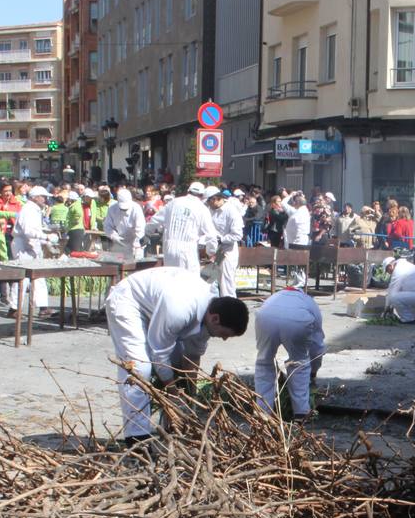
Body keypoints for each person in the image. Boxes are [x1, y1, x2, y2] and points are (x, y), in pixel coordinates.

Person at [105, 267, 249, 441]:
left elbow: (192, 357)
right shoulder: (180, 310)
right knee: (139, 368)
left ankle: (172, 427)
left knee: (177, 367)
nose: (224, 339)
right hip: (128, 301)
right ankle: (137, 438)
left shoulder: (208, 314)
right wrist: (174, 395)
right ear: (215, 319)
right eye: (225, 334)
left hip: (156, 306)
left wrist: (190, 397)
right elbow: (160, 355)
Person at [254, 286, 326, 420]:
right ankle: (301, 413)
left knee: (264, 362)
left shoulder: (273, 297)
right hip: (297, 321)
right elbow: (317, 347)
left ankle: (263, 413)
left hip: (265, 317)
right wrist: (313, 371)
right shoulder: (309, 301)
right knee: (300, 363)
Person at [9, 186, 58, 319]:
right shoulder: (28, 210)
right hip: (23, 246)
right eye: (43, 196)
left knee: (39, 276)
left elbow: (35, 231)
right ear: (35, 197)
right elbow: (28, 231)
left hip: (31, 245)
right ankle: (14, 308)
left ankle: (43, 307)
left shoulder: (35, 210)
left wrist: (45, 242)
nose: (45, 199)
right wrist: (46, 238)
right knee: (22, 278)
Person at [148, 181, 217, 271]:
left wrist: (147, 233)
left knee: (171, 278)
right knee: (189, 281)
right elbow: (211, 234)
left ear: (188, 191)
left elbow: (155, 219)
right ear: (202, 195)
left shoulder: (173, 202)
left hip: (169, 247)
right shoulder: (202, 208)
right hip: (188, 249)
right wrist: (211, 251)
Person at [206, 187, 243, 298]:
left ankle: (229, 308)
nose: (208, 204)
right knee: (209, 279)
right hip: (217, 251)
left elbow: (237, 235)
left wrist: (221, 239)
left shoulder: (231, 211)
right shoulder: (210, 210)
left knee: (226, 282)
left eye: (209, 201)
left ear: (215, 199)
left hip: (227, 251)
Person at [381, 255, 415, 323]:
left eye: (387, 271)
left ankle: (407, 319)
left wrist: (387, 308)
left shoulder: (398, 271)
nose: (388, 273)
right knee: (403, 297)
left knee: (395, 298)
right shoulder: (405, 265)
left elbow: (392, 293)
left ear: (390, 266)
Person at [104, 187, 147, 259]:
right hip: (119, 241)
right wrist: (114, 236)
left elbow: (140, 228)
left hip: (135, 241)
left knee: (136, 264)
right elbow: (107, 226)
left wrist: (137, 242)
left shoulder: (136, 208)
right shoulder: (112, 208)